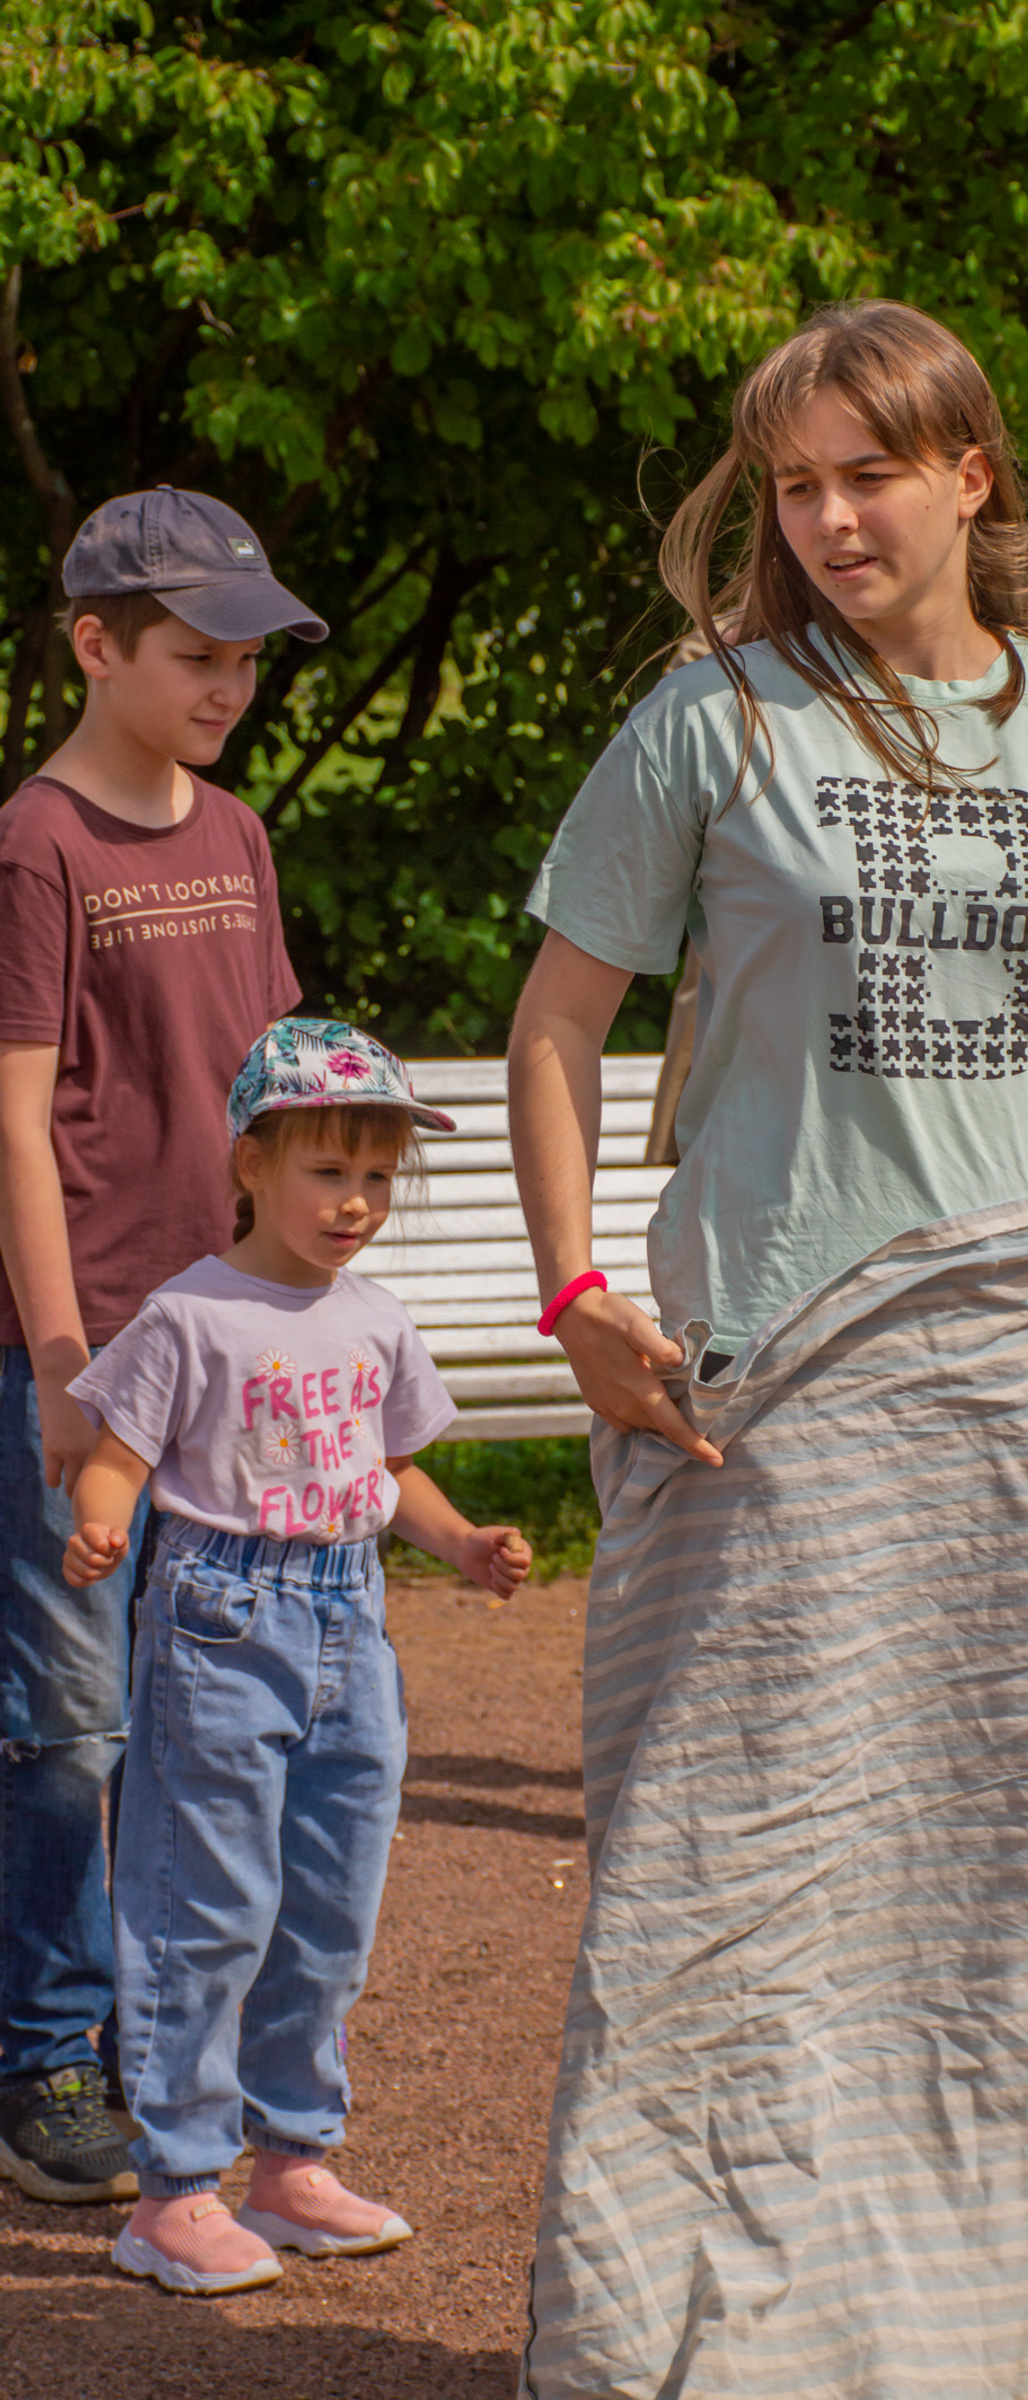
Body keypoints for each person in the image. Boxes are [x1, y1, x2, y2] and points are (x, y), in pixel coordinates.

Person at [508, 300, 1028, 2397]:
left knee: (1024, 1873)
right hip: (771, 1381)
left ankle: (996, 2314)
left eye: (869, 474)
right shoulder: (711, 725)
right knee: (737, 1880)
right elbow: (557, 1027)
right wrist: (581, 1299)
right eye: (796, 486)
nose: (831, 518)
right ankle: (730, 2321)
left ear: (970, 478)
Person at [61, 1020, 533, 2294]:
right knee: (204, 1907)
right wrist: (106, 1518)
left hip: (350, 1623)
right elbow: (121, 1451)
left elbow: (391, 1474)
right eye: (330, 1171)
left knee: (327, 1908)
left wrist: (463, 1544)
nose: (358, 1203)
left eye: (378, 1178)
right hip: (222, 1621)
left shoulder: (375, 1320)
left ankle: (292, 2163)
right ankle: (172, 2189)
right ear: (252, 1164)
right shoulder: (190, 1314)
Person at [0, 488, 322, 2205]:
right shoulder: (35, 845)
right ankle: (48, 2055)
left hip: (225, 1356)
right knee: (69, 1722)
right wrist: (57, 1357)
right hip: (85, 1355)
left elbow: (272, 1086)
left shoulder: (240, 836)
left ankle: (164, 2052)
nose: (230, 686)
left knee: (205, 1713)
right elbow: (10, 1122)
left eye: (249, 659)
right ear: (98, 644)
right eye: (198, 656)